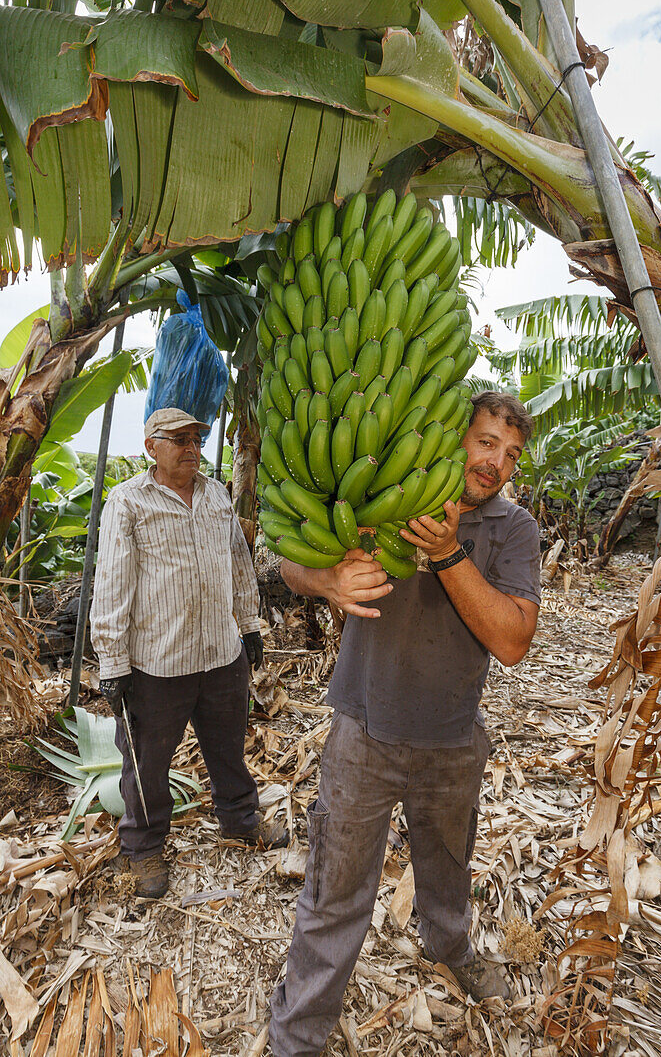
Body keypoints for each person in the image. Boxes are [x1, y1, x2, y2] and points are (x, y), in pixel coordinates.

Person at [268, 391, 541, 1056]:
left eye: (509, 454)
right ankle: (298, 1033)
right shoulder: (383, 492)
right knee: (336, 890)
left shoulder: (512, 530)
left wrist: (449, 554)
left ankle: (450, 948)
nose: (494, 464)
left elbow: (511, 641)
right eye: (484, 443)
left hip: (452, 738)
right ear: (455, 438)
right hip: (363, 731)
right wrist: (327, 580)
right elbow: (289, 557)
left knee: (447, 869)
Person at [90, 407, 287, 899]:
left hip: (221, 654)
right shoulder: (129, 502)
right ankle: (142, 848)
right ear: (151, 445)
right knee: (146, 763)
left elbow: (239, 563)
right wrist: (112, 665)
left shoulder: (216, 495)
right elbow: (112, 584)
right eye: (179, 439)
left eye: (197, 439)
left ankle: (240, 819)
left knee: (227, 748)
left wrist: (249, 625)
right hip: (158, 662)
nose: (191, 448)